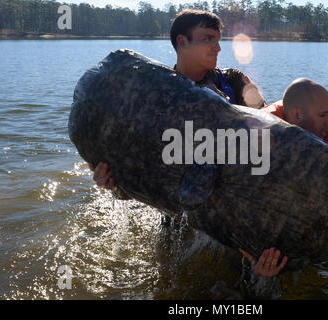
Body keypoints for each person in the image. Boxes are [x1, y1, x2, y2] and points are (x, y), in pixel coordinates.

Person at [89, 9, 287, 279]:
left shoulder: (233, 81)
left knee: (248, 275)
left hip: (232, 205)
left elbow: (270, 134)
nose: (218, 47)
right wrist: (114, 182)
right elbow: (142, 161)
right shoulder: (158, 93)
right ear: (182, 42)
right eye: (207, 38)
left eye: (219, 39)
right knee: (172, 275)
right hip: (177, 211)